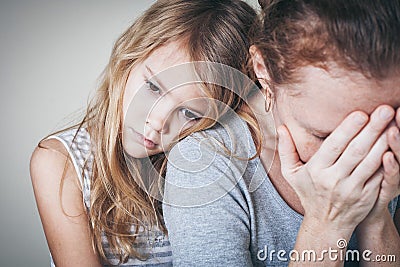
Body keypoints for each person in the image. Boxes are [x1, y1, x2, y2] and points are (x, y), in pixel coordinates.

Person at [163, 0, 400, 266]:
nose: (361, 158)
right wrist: (327, 223)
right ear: (263, 71)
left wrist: (376, 214)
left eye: (380, 132)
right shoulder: (205, 163)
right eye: (324, 136)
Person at [29, 0, 259, 266]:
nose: (158, 122)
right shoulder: (61, 163)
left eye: (189, 113)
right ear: (128, 58)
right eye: (152, 86)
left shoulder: (207, 167)